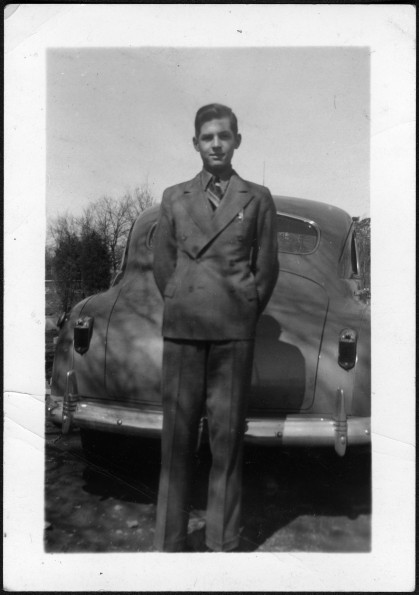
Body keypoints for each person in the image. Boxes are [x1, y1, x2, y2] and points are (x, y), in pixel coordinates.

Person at [152, 103, 279, 552]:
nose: (216, 144)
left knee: (227, 442)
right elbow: (163, 266)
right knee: (176, 441)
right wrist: (185, 297)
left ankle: (222, 543)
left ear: (237, 141)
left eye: (223, 136)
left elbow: (266, 269)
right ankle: (168, 542)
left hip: (232, 333)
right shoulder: (174, 197)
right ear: (195, 144)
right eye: (207, 138)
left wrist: (241, 310)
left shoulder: (257, 197)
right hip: (184, 328)